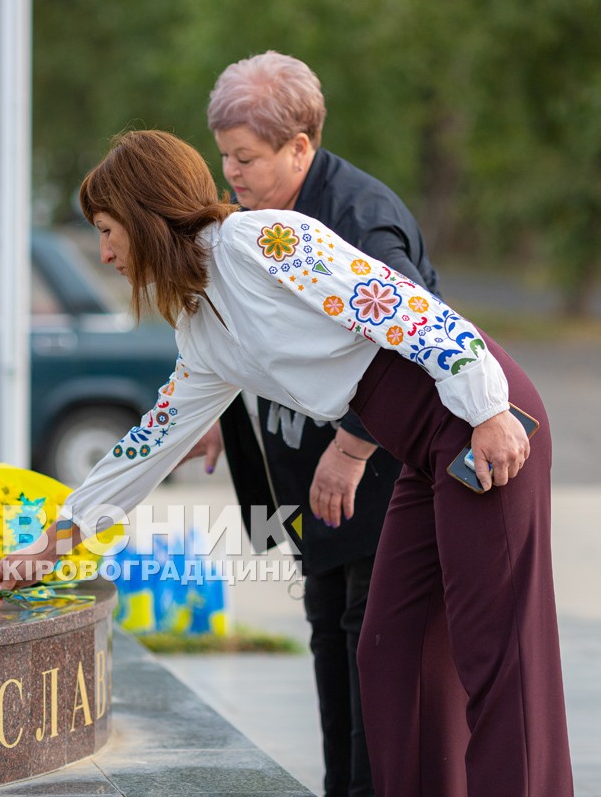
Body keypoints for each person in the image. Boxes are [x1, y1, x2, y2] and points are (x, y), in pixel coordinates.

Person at [0, 129, 574, 797]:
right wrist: (56, 542)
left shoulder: (262, 241)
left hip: (478, 420)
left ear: (146, 217)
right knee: (389, 647)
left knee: (495, 651)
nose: (105, 252)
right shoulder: (201, 324)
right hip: (421, 449)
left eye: (109, 229)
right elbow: (149, 444)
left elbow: (403, 304)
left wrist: (487, 407)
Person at [183, 50, 450, 797]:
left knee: (373, 653)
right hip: (311, 485)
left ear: (301, 146)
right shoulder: (263, 214)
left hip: (382, 480)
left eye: (247, 158)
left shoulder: (362, 220)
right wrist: (215, 406)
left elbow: (421, 338)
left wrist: (354, 447)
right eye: (225, 156)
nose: (232, 174)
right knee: (332, 637)